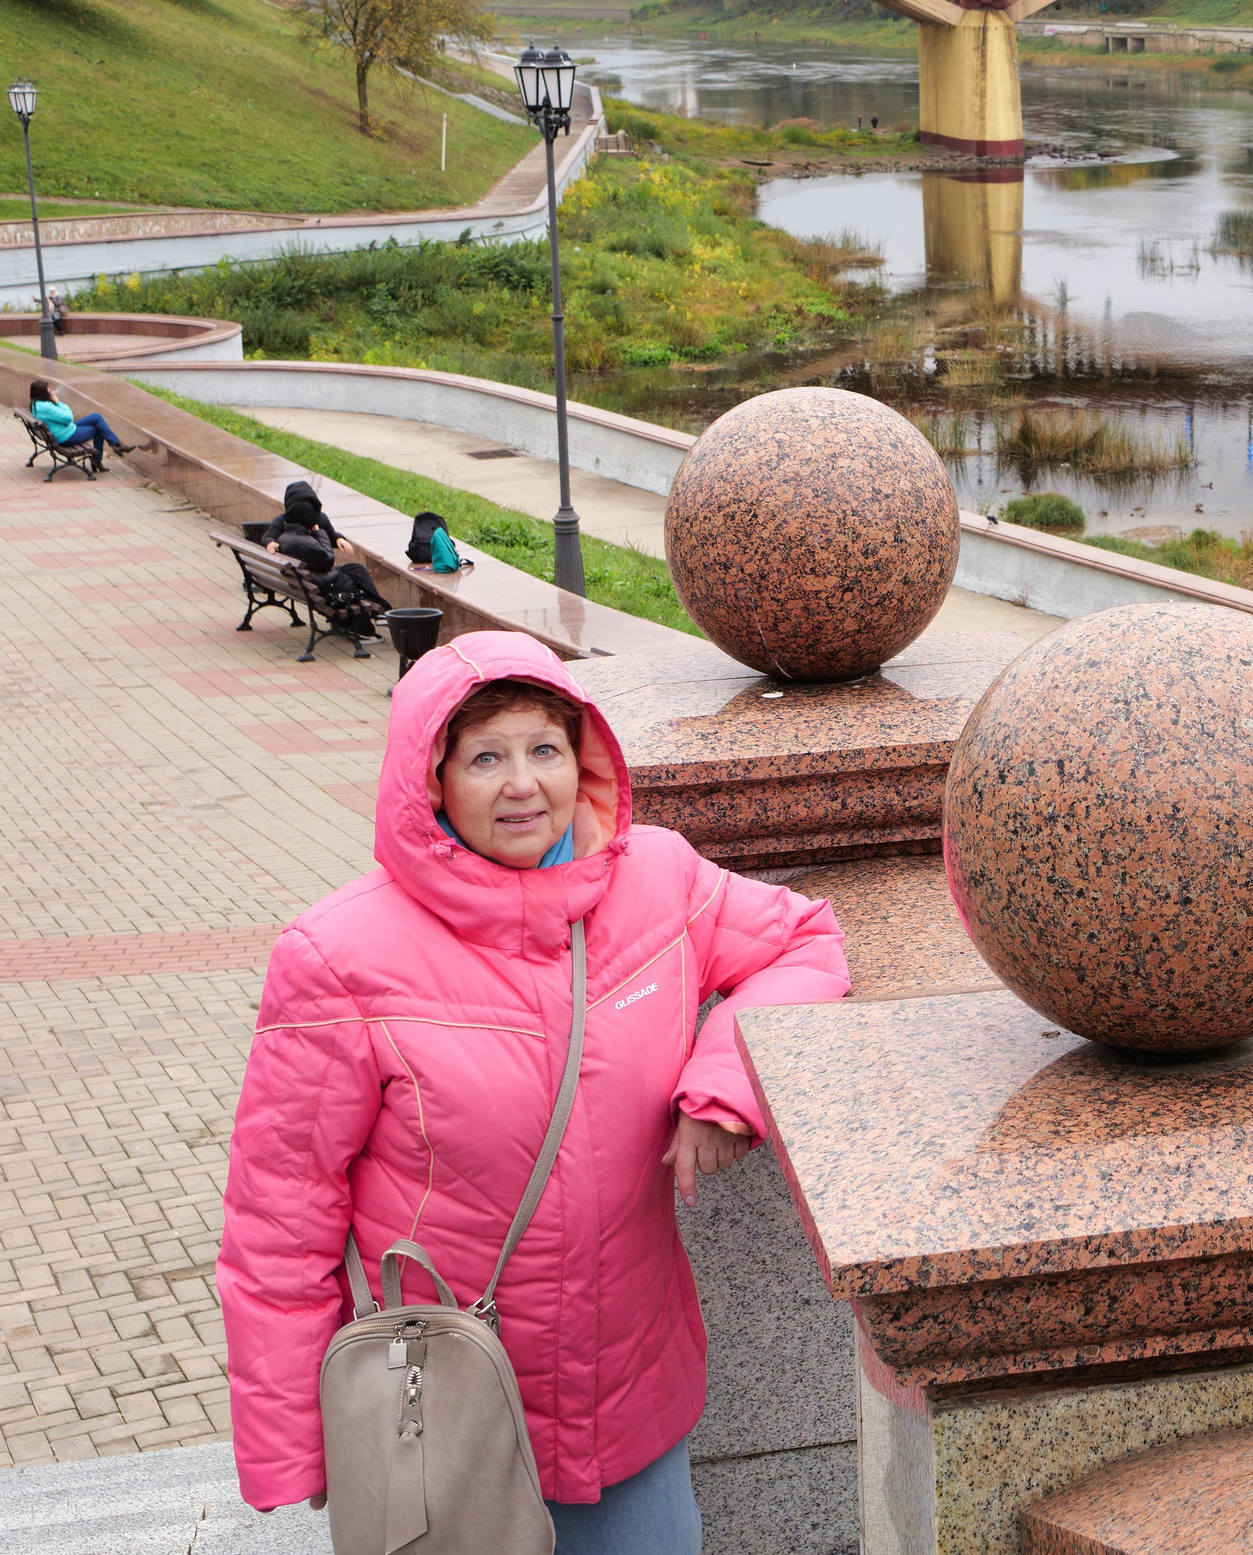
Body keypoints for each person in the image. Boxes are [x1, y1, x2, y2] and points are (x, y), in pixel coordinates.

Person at [216, 633, 850, 1551]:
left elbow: (807, 942)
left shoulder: (658, 878)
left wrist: (723, 1084)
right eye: (486, 756)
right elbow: (280, 1216)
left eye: (544, 749)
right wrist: (295, 1447)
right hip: (449, 1415)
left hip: (630, 1401)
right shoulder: (337, 958)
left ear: (580, 758)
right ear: (429, 782)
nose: (523, 784)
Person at [262, 480, 392, 620]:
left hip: (317, 572)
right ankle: (381, 610)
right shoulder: (284, 521)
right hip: (318, 575)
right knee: (354, 577)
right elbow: (269, 536)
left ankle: (379, 608)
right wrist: (270, 541)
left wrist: (339, 539)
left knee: (357, 569)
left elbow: (330, 534)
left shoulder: (319, 518)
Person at [27, 380, 129, 462]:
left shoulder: (36, 403)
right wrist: (57, 401)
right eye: (48, 389)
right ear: (43, 392)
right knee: (99, 429)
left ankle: (116, 444)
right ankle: (98, 459)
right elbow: (69, 417)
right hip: (65, 436)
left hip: (61, 430)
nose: (51, 391)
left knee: (96, 417)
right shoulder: (46, 407)